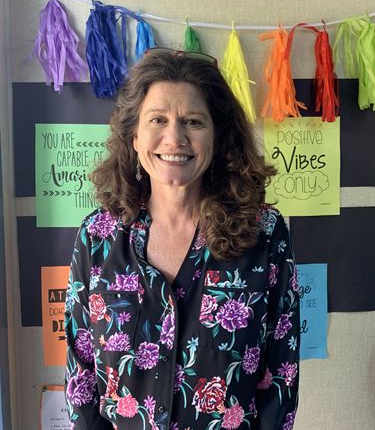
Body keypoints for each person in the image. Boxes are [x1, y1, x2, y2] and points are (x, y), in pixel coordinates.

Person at [64, 49, 300, 430]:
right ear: (135, 135)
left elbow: (280, 374)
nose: (174, 138)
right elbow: (82, 372)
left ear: (218, 136)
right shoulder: (97, 237)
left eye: (193, 121)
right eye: (158, 119)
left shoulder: (265, 234)